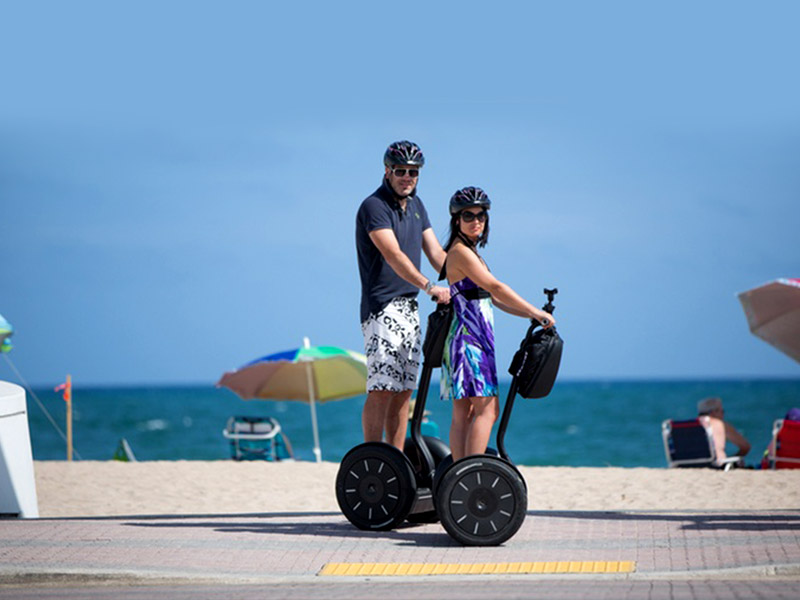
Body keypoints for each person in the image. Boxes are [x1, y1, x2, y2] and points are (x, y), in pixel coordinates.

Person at [440, 186, 555, 461]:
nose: (476, 221)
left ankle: (460, 474)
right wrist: (535, 310)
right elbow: (495, 286)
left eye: (481, 215)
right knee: (487, 410)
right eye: (468, 215)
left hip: (468, 337)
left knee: (467, 411)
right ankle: (469, 472)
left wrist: (529, 315)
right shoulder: (461, 252)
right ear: (456, 219)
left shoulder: (470, 252)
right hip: (469, 340)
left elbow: (491, 299)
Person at [355, 140, 450, 451]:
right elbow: (393, 254)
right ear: (387, 171)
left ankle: (394, 461)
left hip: (410, 308)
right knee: (382, 388)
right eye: (401, 171)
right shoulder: (374, 206)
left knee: (404, 391)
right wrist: (429, 286)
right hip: (382, 308)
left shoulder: (418, 206)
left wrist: (466, 281)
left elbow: (436, 253)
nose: (407, 177)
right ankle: (373, 457)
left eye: (413, 172)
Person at [697, 397, 751, 464]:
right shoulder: (720, 424)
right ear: (713, 412)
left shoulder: (691, 425)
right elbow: (745, 447)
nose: (723, 414)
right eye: (722, 411)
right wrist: (732, 458)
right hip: (718, 464)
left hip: (693, 463)